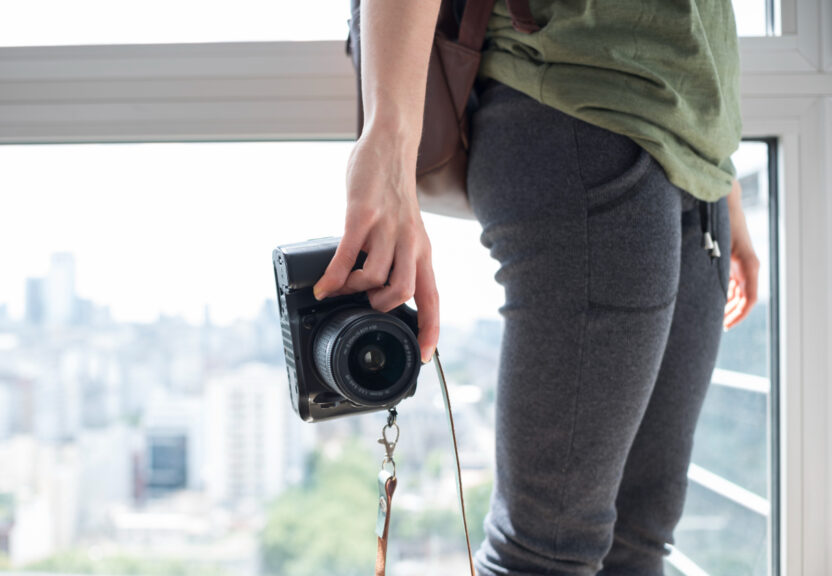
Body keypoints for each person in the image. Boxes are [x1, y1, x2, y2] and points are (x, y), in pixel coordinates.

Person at [312, 0, 761, 574]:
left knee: (638, 538)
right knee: (547, 553)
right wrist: (389, 141)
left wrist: (725, 183)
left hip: (696, 161)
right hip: (578, 107)